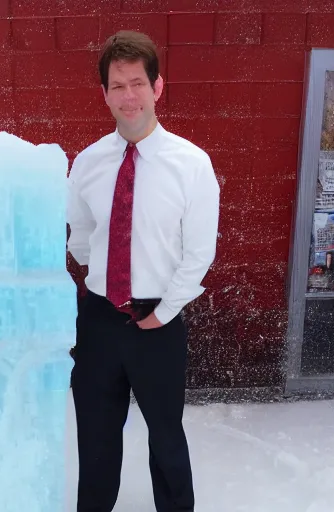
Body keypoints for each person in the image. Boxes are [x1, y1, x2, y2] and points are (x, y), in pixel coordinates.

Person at [66, 30, 220, 512]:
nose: (128, 95)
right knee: (94, 436)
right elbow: (82, 235)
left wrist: (165, 310)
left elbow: (199, 253)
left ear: (157, 87)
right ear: (104, 94)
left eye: (137, 83)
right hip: (99, 322)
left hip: (159, 321)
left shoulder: (191, 165)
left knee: (166, 438)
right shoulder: (88, 163)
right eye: (117, 85)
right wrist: (107, 283)